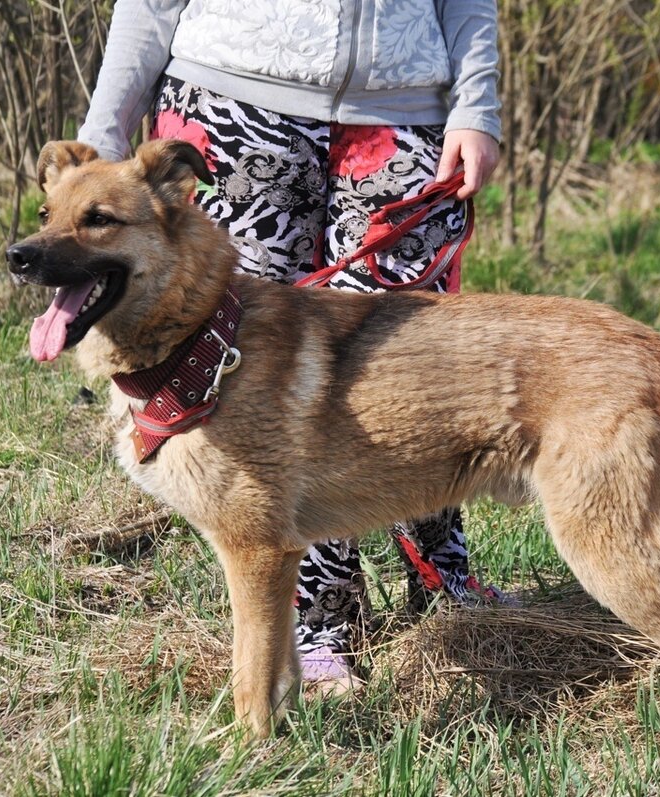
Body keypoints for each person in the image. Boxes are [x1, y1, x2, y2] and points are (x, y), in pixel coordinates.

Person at [77, 0, 507, 692]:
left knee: (417, 370)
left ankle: (442, 580)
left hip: (405, 109)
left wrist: (476, 105)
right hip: (233, 105)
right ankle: (318, 624)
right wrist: (104, 135)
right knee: (254, 406)